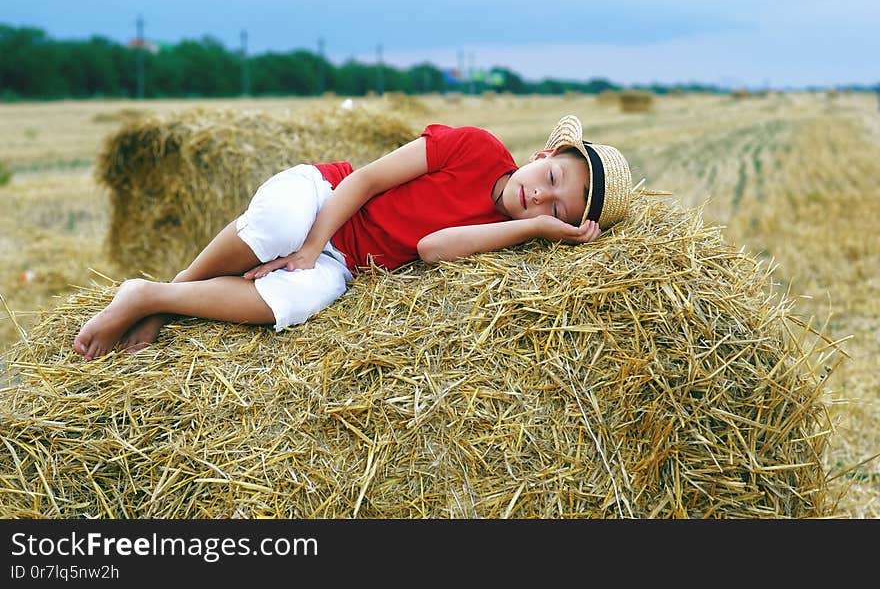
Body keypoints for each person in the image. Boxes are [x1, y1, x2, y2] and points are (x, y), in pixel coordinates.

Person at [73, 114, 632, 360]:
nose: (541, 197)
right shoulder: (475, 146)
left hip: (346, 265)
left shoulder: (506, 231)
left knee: (293, 303)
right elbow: (366, 179)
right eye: (551, 180)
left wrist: (528, 229)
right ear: (542, 155)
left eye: (557, 209)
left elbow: (430, 249)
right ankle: (182, 284)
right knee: (280, 228)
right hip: (326, 197)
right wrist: (312, 245)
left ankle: (150, 297)